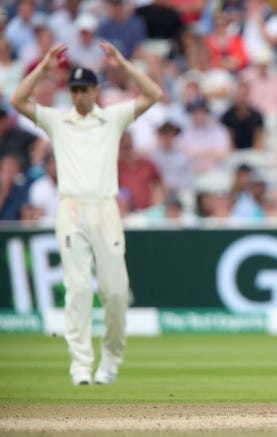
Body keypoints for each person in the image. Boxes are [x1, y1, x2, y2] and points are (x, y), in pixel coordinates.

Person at [10, 41, 163, 385]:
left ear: (95, 90)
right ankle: (80, 365)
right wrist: (43, 68)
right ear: (71, 92)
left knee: (116, 291)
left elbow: (154, 95)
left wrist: (124, 66)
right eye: (75, 90)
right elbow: (17, 101)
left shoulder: (112, 118)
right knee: (77, 289)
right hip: (71, 207)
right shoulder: (57, 121)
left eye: (85, 89)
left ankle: (110, 359)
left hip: (106, 208)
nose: (79, 96)